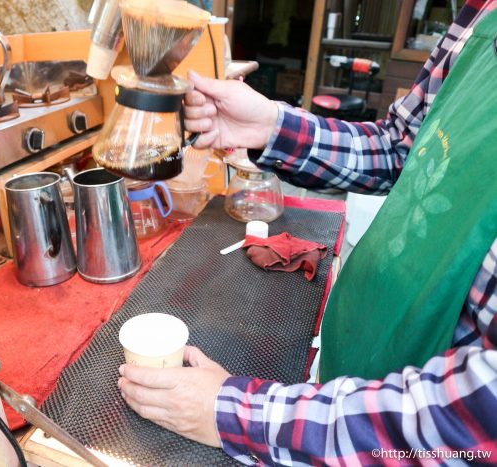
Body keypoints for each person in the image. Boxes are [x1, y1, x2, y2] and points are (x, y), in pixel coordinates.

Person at [117, 0, 497, 464]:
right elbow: (402, 147)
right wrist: (271, 126)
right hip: (355, 356)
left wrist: (240, 416)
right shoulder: (480, 12)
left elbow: (477, 419)